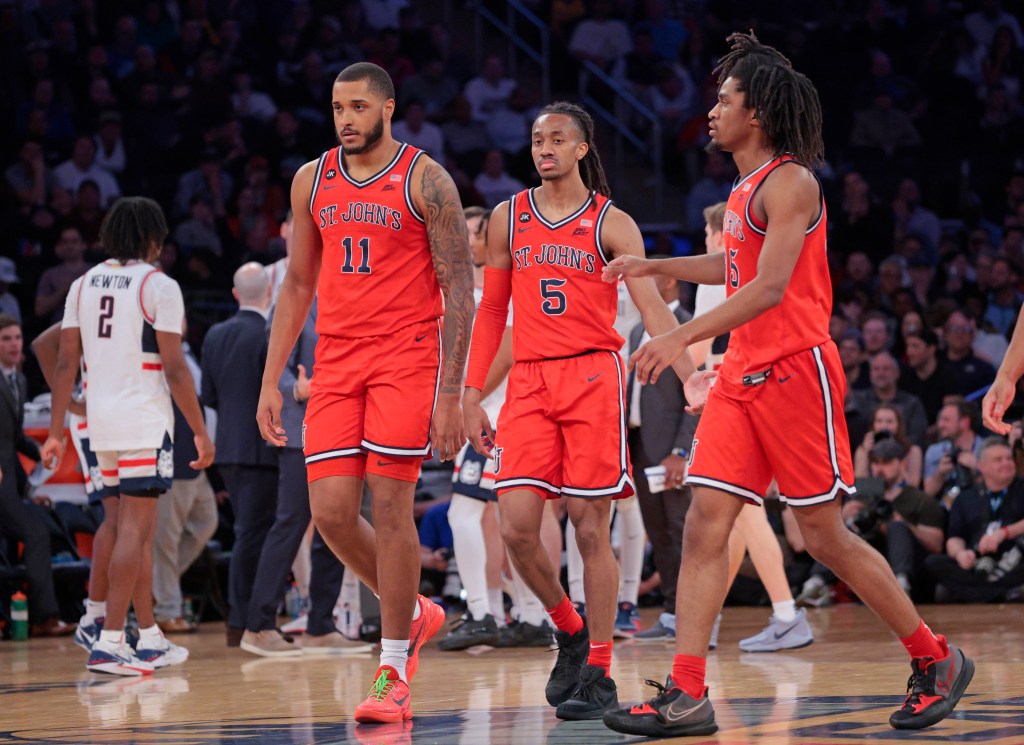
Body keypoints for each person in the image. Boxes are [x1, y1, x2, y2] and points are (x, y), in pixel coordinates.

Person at [601, 32, 973, 737]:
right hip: (742, 376)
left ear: (759, 114)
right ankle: (687, 691)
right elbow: (733, 270)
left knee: (823, 535)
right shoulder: (742, 189)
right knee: (707, 521)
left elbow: (770, 287)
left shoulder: (794, 181)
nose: (711, 111)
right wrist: (653, 268)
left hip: (796, 373)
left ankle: (936, 657)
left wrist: (680, 335)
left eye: (725, 99)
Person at [463, 100, 709, 722]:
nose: (543, 148)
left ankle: (598, 666)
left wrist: (689, 378)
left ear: (581, 149)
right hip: (531, 381)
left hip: (593, 377)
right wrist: (469, 393)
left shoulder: (613, 223)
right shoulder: (506, 217)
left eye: (557, 139)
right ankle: (568, 629)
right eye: (536, 139)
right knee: (517, 524)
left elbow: (654, 311)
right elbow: (494, 314)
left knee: (588, 527)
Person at [256, 62, 474, 724]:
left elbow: (459, 290)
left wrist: (449, 393)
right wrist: (271, 377)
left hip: (405, 357)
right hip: (337, 358)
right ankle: (417, 609)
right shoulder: (310, 179)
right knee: (327, 511)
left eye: (357, 106)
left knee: (392, 502)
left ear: (388, 108)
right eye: (336, 107)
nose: (345, 118)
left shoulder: (425, 179)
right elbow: (296, 284)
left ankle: (392, 666)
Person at [41, 197, 214, 675]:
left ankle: (148, 637)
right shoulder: (159, 285)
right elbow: (176, 370)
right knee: (135, 530)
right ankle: (111, 639)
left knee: (129, 528)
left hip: (99, 422)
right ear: (153, 238)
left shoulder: (82, 283)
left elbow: (61, 363)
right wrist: (199, 431)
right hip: (142, 417)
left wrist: (57, 432)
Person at [200, 263, 281, 650]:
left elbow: (209, 395)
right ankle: (244, 619)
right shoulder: (268, 332)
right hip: (262, 447)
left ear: (235, 294)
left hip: (227, 449)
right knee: (255, 534)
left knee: (247, 532)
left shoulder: (214, 334)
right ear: (268, 293)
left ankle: (245, 617)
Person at [0, 316, 73, 637]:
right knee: (35, 533)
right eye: (6, 339)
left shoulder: (18, 380)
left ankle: (38, 616)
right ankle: (45, 617)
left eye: (16, 337)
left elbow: (14, 438)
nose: (14, 344)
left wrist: (42, 451)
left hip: (9, 486)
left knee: (37, 531)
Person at [924, 438, 1024, 602]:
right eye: (998, 460)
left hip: (1014, 560)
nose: (1006, 463)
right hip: (977, 564)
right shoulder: (965, 497)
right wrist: (960, 554)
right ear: (981, 466)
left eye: (1009, 458)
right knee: (933, 562)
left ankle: (978, 594)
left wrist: (1004, 533)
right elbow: (955, 537)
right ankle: (997, 593)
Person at [849, 438, 946, 596]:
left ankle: (901, 583)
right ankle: (817, 582)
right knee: (843, 530)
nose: (879, 469)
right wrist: (847, 516)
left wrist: (905, 525)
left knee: (897, 527)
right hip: (875, 566)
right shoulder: (864, 499)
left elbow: (936, 545)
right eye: (875, 462)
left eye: (886, 462)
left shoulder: (920, 499)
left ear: (902, 463)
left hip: (914, 569)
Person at [853, 404, 924, 488]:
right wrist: (865, 453)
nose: (884, 426)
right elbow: (859, 486)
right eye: (879, 421)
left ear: (898, 425)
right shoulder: (863, 449)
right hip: (871, 497)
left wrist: (899, 461)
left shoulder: (913, 450)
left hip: (903, 497)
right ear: (873, 425)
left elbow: (913, 486)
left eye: (889, 421)